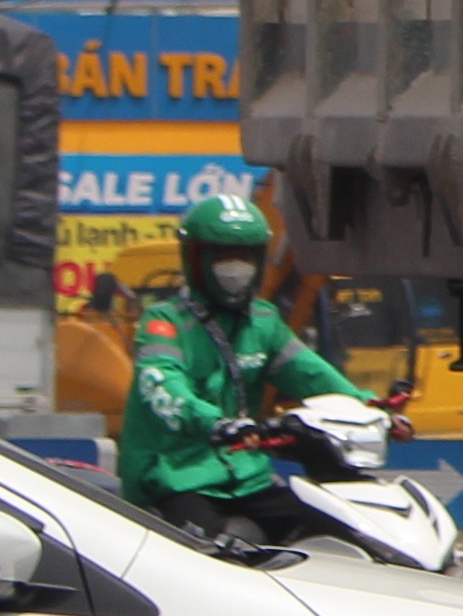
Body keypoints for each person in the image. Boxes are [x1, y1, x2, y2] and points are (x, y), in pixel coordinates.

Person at [113, 189, 377, 552]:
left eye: (245, 256)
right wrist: (215, 423)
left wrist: (368, 406)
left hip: (248, 478)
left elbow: (310, 373)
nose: (235, 267)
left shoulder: (264, 321)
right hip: (177, 479)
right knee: (214, 558)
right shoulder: (165, 322)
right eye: (222, 255)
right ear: (196, 258)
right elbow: (163, 387)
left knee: (334, 531)